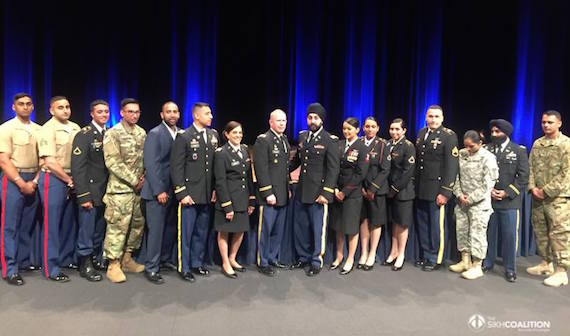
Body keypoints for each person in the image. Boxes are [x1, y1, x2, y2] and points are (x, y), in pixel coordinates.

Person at [171, 102, 219, 282]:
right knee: (187, 233)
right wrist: (182, 193)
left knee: (201, 231)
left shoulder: (213, 135)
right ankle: (185, 267)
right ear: (196, 116)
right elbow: (176, 167)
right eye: (207, 113)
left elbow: (214, 167)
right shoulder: (184, 136)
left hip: (206, 193)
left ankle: (197, 263)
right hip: (190, 194)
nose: (211, 116)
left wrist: (215, 189)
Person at [291, 102, 340, 276]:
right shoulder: (304, 137)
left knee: (318, 229)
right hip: (303, 190)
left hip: (319, 193)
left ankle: (316, 261)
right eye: (310, 117)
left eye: (316, 118)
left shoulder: (330, 140)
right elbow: (298, 160)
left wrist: (326, 192)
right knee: (301, 227)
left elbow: (333, 168)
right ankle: (303, 257)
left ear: (322, 120)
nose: (312, 120)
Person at [37, 96, 81, 282]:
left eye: (67, 107)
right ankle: (51, 267)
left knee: (69, 223)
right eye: (60, 107)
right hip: (54, 178)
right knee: (52, 225)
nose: (65, 110)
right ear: (51, 110)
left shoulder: (76, 128)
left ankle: (65, 258)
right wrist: (68, 180)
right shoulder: (47, 129)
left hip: (72, 178)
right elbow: (49, 161)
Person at [102, 98, 146, 283]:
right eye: (130, 112)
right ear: (122, 113)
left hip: (138, 191)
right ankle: (113, 264)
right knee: (117, 227)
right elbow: (113, 162)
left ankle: (127, 259)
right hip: (120, 190)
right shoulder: (113, 133)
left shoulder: (141, 133)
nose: (134, 115)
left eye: (136, 112)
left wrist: (144, 179)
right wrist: (134, 180)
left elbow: (146, 159)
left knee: (136, 226)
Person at [0, 93, 41, 285]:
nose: (25, 107)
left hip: (33, 178)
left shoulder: (39, 130)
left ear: (33, 107)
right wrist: (20, 182)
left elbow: (44, 159)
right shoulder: (6, 128)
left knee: (27, 224)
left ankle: (24, 261)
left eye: (28, 104)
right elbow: (3, 160)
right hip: (14, 178)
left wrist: (34, 181)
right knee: (10, 226)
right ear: (13, 107)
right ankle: (10, 268)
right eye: (21, 104)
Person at [527, 110, 570, 287]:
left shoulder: (566, 144)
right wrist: (532, 188)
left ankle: (561, 271)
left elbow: (566, 173)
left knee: (559, 234)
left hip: (557, 199)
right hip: (538, 197)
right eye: (544, 122)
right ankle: (546, 263)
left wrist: (546, 190)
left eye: (550, 122)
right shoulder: (538, 143)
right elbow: (530, 168)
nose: (546, 125)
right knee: (541, 231)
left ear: (559, 123)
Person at [483, 119, 529, 283]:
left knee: (509, 236)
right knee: (489, 233)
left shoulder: (518, 150)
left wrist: (506, 193)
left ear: (506, 133)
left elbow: (523, 178)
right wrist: (489, 190)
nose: (494, 135)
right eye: (492, 132)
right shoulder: (486, 149)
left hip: (509, 201)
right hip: (489, 199)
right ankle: (487, 262)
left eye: (497, 132)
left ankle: (510, 268)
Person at [414, 105, 459, 271]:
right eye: (430, 116)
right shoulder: (421, 133)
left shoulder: (449, 136)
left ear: (442, 119)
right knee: (424, 224)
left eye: (436, 117)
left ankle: (436, 257)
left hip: (437, 190)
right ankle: (426, 254)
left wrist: (446, 192)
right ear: (426, 117)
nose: (433, 120)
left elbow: (451, 166)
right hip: (421, 188)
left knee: (436, 226)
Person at [140, 101, 180, 284]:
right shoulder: (155, 134)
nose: (172, 114)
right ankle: (152, 268)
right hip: (158, 192)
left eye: (175, 111)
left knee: (170, 229)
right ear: (162, 115)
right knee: (155, 231)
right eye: (168, 112)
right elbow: (151, 164)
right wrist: (159, 190)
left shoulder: (180, 134)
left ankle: (164, 260)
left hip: (174, 191)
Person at [71, 99, 110, 282]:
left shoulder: (109, 134)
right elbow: (78, 168)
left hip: (105, 191)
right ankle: (84, 263)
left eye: (106, 112)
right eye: (100, 112)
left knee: (98, 229)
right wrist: (83, 194)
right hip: (90, 190)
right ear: (92, 114)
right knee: (86, 230)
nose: (104, 115)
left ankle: (95, 257)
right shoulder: (84, 135)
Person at [450, 131, 498, 280]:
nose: (468, 149)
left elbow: (488, 184)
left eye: (472, 146)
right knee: (462, 231)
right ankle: (465, 261)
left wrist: (470, 199)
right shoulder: (462, 154)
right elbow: (455, 176)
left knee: (477, 234)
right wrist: (459, 194)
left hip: (479, 204)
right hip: (462, 201)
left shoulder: (488, 158)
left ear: (480, 143)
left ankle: (477, 265)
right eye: (466, 145)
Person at [214, 121, 256, 279]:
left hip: (242, 199)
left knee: (240, 229)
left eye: (240, 132)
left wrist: (251, 200)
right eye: (234, 133)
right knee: (224, 230)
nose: (238, 135)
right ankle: (225, 262)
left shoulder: (245, 150)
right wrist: (227, 206)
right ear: (226, 135)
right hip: (228, 200)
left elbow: (248, 177)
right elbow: (220, 181)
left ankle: (232, 258)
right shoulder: (221, 153)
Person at [253, 109, 291, 276]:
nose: (282, 123)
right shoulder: (264, 140)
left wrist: (287, 188)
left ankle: (273, 257)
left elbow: (284, 169)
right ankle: (263, 261)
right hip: (269, 195)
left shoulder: (284, 140)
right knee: (266, 230)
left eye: (284, 121)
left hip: (282, 194)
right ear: (271, 122)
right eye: (278, 121)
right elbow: (261, 169)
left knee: (278, 229)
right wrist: (268, 192)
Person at [330, 117, 370, 275]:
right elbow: (333, 168)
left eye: (350, 129)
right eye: (344, 129)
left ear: (357, 130)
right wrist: (333, 188)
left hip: (352, 194)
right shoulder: (338, 144)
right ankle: (339, 256)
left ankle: (350, 258)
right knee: (338, 226)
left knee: (351, 228)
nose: (346, 132)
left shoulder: (362, 147)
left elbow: (360, 174)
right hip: (336, 192)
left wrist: (344, 192)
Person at [356, 117, 390, 271]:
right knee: (363, 221)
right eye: (367, 126)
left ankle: (372, 253)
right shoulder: (359, 143)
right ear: (363, 128)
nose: (370, 129)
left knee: (375, 222)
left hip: (377, 191)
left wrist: (372, 189)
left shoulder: (383, 145)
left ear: (377, 128)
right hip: (361, 190)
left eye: (373, 127)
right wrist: (362, 188)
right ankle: (363, 252)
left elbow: (385, 169)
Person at [384, 118, 416, 271]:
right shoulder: (388, 144)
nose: (394, 132)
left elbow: (407, 172)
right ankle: (393, 251)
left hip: (403, 191)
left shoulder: (408, 146)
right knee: (394, 222)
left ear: (404, 131)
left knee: (402, 224)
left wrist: (394, 189)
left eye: (397, 129)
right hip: (389, 190)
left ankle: (401, 254)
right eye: (392, 129)